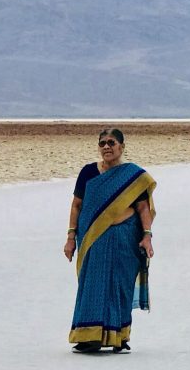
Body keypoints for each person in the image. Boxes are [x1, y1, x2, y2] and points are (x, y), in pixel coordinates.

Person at [64, 128, 156, 354]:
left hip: (125, 238)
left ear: (122, 147)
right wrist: (70, 237)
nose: (106, 147)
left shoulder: (132, 176)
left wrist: (147, 236)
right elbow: (77, 205)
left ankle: (119, 336)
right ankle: (88, 337)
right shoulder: (88, 173)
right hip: (93, 239)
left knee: (120, 285)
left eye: (111, 143)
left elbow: (143, 207)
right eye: (102, 143)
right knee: (93, 285)